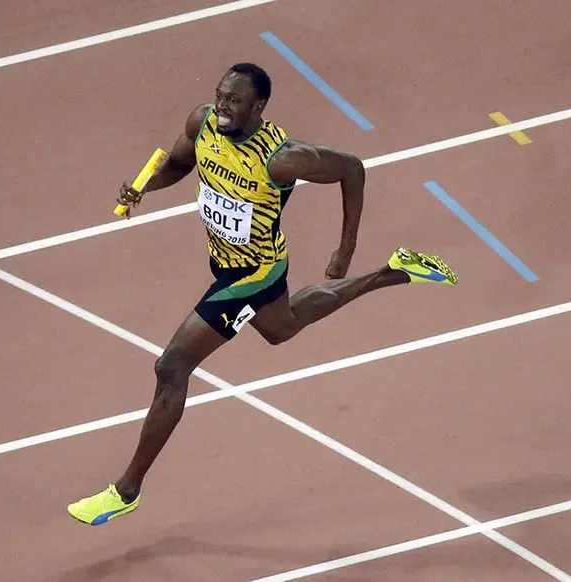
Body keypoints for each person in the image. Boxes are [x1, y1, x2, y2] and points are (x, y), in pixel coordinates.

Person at [66, 62, 458, 526]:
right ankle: (395, 271)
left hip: (255, 272)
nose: (222, 106)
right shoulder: (203, 123)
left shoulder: (282, 158)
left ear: (258, 107)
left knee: (172, 366)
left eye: (233, 101)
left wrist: (345, 248)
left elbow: (352, 169)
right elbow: (178, 163)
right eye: (220, 95)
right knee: (281, 328)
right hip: (225, 261)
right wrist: (145, 186)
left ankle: (125, 490)